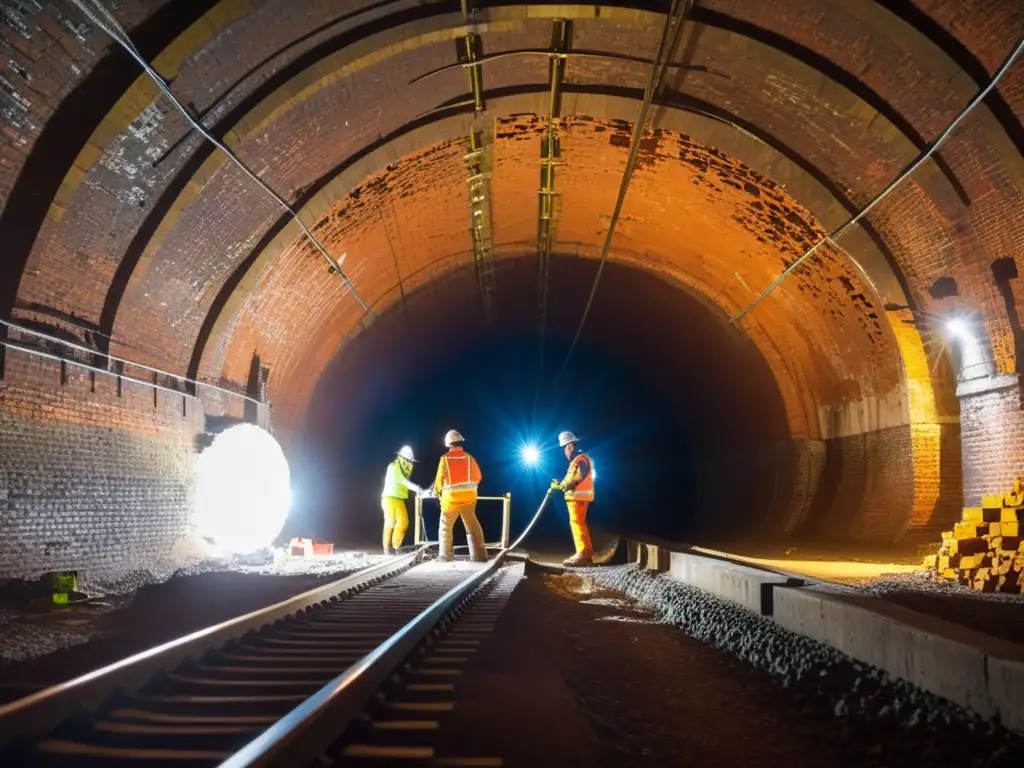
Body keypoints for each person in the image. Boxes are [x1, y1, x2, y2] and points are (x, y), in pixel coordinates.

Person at [433, 429, 486, 563]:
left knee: (445, 526)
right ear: (460, 442)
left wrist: (436, 492)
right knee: (472, 525)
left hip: (450, 498)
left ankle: (445, 557)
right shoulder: (469, 458)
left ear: (448, 444)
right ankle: (479, 556)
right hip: (469, 497)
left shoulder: (444, 459)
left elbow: (439, 480)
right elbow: (478, 477)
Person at [550, 431, 595, 567]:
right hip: (576, 498)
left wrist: (561, 486)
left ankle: (583, 553)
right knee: (578, 524)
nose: (565, 451)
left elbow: (576, 478)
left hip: (578, 498)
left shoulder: (580, 460)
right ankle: (585, 553)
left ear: (569, 446)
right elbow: (570, 479)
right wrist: (560, 484)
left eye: (565, 448)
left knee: (578, 524)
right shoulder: (577, 460)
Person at [380, 445, 426, 555]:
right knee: (390, 522)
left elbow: (404, 481)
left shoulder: (402, 470)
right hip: (389, 498)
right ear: (402, 458)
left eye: (411, 461)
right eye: (408, 460)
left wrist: (420, 490)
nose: (410, 463)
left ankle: (396, 546)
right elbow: (403, 481)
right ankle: (387, 548)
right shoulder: (393, 467)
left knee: (403, 522)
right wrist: (417, 488)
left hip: (399, 499)